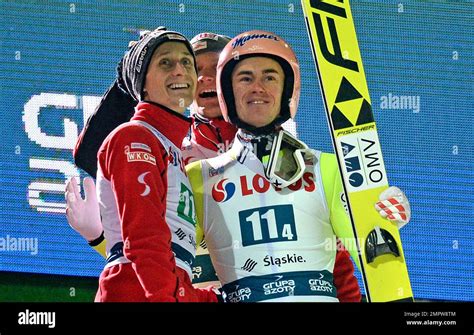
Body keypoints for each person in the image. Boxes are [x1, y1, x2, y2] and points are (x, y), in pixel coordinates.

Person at [67, 30, 364, 301]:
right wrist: (99, 239)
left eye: (213, 68)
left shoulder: (281, 152)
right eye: (198, 69)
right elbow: (148, 243)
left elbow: (326, 247)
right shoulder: (173, 152)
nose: (204, 77)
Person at [184, 30, 411, 302]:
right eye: (245, 78)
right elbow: (165, 263)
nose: (258, 87)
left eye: (270, 77)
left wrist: (378, 217)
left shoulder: (327, 168)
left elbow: (371, 257)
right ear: (228, 93)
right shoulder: (198, 176)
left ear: (288, 89)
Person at [87, 27, 218, 302]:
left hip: (163, 285)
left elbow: (175, 271)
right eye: (165, 63)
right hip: (135, 288)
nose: (180, 70)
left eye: (186, 62)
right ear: (142, 83)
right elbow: (145, 239)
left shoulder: (170, 147)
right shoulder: (134, 137)